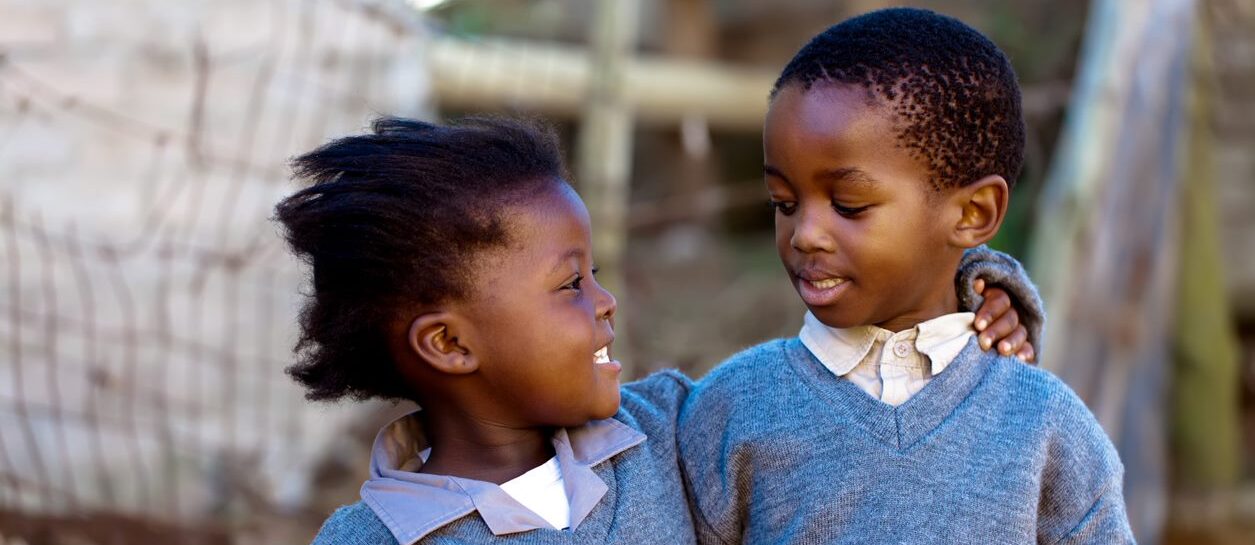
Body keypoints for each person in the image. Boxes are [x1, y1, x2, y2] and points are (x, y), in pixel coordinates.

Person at [276, 116, 1039, 544]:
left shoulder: (671, 432)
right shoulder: (370, 541)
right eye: (570, 284)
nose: (606, 302)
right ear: (449, 344)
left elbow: (853, 369)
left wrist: (971, 291)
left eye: (596, 273)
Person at [676, 8, 1134, 545]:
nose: (805, 234)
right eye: (784, 203)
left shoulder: (1045, 427)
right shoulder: (733, 408)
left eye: (848, 205)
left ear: (974, 214)